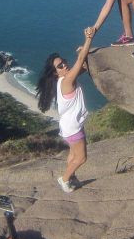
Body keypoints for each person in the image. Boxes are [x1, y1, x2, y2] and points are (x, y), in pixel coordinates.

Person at [36, 27, 95, 192]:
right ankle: (65, 179)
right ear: (56, 73)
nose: (64, 66)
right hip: (73, 127)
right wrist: (88, 39)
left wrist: (83, 54)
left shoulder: (63, 80)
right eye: (60, 66)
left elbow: (82, 65)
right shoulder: (67, 80)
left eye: (64, 62)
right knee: (81, 157)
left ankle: (72, 177)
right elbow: (82, 59)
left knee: (73, 154)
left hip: (67, 126)